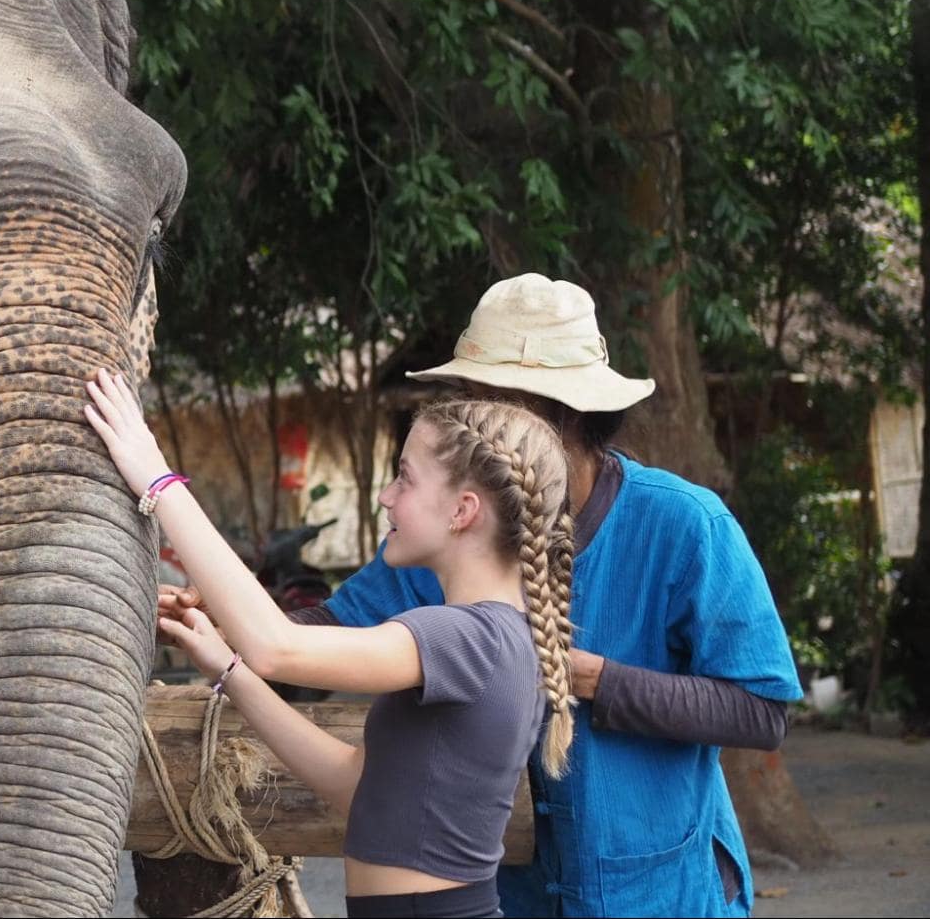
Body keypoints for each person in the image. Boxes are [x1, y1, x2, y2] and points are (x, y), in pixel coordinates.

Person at [305, 273, 802, 917]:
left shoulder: (686, 525)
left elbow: (762, 714)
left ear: (559, 416)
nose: (469, 422)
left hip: (662, 895)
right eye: (467, 399)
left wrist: (593, 679)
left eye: (489, 404)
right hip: (516, 898)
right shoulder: (457, 528)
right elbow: (324, 635)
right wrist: (214, 622)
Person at [86, 369, 577, 919]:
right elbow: (356, 787)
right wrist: (230, 669)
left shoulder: (467, 636)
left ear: (462, 511)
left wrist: (157, 479)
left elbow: (278, 646)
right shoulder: (499, 633)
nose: (387, 497)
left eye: (405, 479)